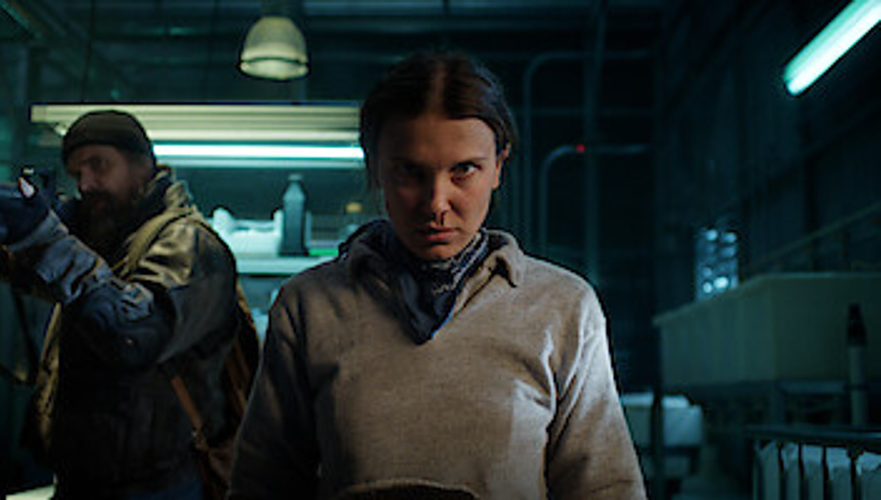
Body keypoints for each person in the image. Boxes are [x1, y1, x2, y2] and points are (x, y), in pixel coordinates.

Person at [229, 51, 646, 499]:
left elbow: (605, 489)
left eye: (464, 170)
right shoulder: (310, 306)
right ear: (375, 168)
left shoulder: (561, 308)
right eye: (410, 172)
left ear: (499, 167)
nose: (436, 203)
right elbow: (262, 487)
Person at [0, 110, 244, 499]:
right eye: (77, 173)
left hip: (157, 487)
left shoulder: (188, 244)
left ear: (143, 164)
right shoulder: (107, 236)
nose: (86, 184)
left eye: (99, 165)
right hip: (84, 478)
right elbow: (42, 274)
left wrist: (49, 241)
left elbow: (136, 334)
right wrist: (18, 240)